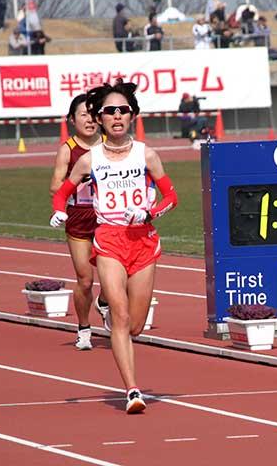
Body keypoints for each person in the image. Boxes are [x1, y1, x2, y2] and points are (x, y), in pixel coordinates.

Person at [50, 81, 178, 414]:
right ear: (101, 118)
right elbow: (62, 192)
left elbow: (172, 198)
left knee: (134, 325)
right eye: (109, 111)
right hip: (108, 239)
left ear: (132, 115)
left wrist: (149, 212)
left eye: (123, 110)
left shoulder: (146, 154)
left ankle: (113, 315)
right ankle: (133, 391)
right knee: (120, 318)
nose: (116, 115)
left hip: (143, 241)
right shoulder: (89, 160)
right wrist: (60, 210)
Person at [49, 94, 110, 351]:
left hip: (108, 217)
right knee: (85, 280)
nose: (89, 119)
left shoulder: (111, 144)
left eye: (93, 114)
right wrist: (79, 182)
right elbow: (55, 186)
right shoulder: (68, 149)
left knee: (116, 275)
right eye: (83, 114)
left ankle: (105, 302)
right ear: (72, 120)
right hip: (79, 218)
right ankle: (84, 328)